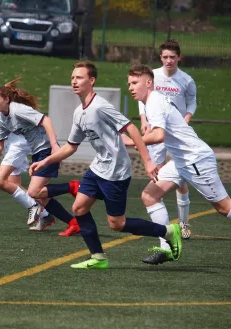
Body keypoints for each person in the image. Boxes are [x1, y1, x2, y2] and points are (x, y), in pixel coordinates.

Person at [29, 61, 182, 269]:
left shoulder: (101, 107)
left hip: (116, 173)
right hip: (98, 168)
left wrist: (147, 162)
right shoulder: (79, 112)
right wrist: (45, 161)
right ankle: (98, 257)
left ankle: (168, 231)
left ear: (91, 81)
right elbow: (71, 147)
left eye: (79, 77)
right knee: (79, 207)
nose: (74, 81)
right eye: (73, 77)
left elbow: (133, 130)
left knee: (117, 224)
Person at [125, 64, 231, 264]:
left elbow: (158, 135)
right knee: (149, 195)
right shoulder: (151, 102)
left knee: (224, 208)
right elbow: (156, 134)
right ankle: (167, 248)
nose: (130, 87)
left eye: (134, 82)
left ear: (149, 83)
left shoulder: (154, 101)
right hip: (181, 161)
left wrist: (132, 141)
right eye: (129, 83)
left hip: (196, 159)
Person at [0, 79, 80, 236]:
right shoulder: (1, 118)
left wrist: (55, 145)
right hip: (37, 153)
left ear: (6, 99)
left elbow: (46, 120)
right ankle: (73, 223)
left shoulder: (18, 110)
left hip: (47, 150)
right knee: (40, 197)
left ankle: (72, 187)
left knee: (33, 193)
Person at [138, 39, 197, 239]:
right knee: (155, 176)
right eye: (165, 57)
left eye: (173, 57)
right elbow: (143, 98)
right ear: (160, 58)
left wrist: (186, 120)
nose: (169, 60)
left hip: (177, 134)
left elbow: (192, 102)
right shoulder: (152, 76)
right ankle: (162, 226)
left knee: (180, 181)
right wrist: (144, 119)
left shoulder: (186, 80)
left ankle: (183, 224)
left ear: (179, 57)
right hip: (156, 131)